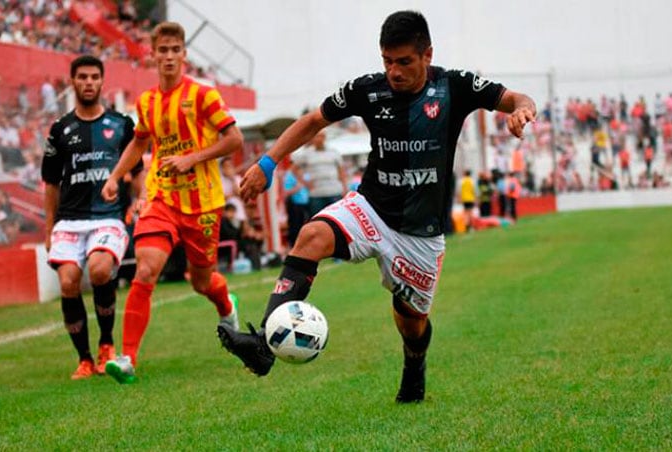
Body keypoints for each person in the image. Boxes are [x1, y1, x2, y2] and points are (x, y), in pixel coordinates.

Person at [217, 10, 535, 403]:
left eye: (404, 62)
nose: (394, 72)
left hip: (420, 235)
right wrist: (267, 162)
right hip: (370, 209)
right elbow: (314, 119)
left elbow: (515, 97)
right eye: (387, 61)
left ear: (427, 55)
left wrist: (521, 109)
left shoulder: (456, 85)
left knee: (411, 322)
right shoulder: (367, 89)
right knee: (312, 235)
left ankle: (414, 369)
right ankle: (264, 344)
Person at [100, 22, 244, 384]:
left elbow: (234, 139)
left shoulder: (203, 96)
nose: (168, 57)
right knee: (146, 269)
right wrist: (115, 176)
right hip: (162, 198)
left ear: (184, 55)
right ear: (153, 55)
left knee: (200, 281)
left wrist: (193, 158)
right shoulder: (146, 101)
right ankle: (127, 358)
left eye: (174, 50)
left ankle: (226, 306)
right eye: (161, 50)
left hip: (204, 204)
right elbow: (139, 142)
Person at [41, 55, 143, 380]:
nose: (88, 82)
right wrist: (49, 228)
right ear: (72, 82)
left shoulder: (121, 124)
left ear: (102, 81)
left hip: (108, 216)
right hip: (69, 220)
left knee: (100, 269)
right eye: (82, 77)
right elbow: (51, 185)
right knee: (69, 281)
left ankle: (107, 344)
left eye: (94, 77)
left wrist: (139, 201)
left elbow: (138, 168)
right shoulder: (60, 129)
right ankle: (84, 359)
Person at [292, 130, 348, 215]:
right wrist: (304, 183)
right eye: (317, 136)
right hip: (316, 193)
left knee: (337, 217)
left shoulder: (334, 152)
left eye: (321, 136)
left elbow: (341, 171)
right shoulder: (306, 154)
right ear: (313, 138)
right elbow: (294, 169)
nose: (319, 139)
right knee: (318, 218)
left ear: (325, 138)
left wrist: (345, 188)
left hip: (335, 191)